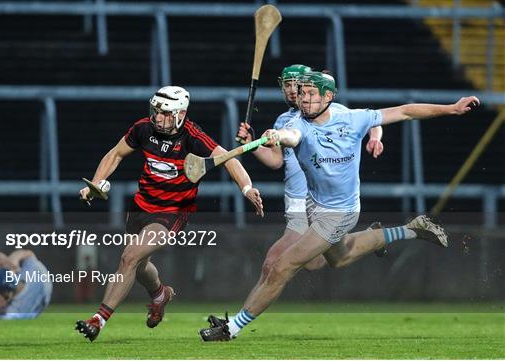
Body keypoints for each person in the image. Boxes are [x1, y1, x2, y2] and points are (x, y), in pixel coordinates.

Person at [200, 71, 479, 341]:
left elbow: (405, 111)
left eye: (311, 94)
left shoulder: (352, 118)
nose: (304, 99)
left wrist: (452, 109)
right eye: (302, 93)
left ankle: (231, 328)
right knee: (339, 258)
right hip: (313, 205)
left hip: (339, 213)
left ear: (329, 96)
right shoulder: (298, 125)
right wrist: (277, 136)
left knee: (282, 266)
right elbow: (292, 137)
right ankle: (411, 230)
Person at [75, 85, 264, 342]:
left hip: (172, 212)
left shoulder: (193, 137)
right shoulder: (143, 128)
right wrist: (96, 184)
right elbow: (116, 154)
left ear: (181, 114)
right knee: (139, 265)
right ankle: (160, 294)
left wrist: (247, 188)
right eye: (156, 112)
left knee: (129, 257)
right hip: (141, 205)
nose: (158, 118)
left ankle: (98, 320)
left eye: (165, 114)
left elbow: (229, 158)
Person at [235, 65, 385, 307]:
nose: (293, 90)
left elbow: (371, 120)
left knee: (273, 261)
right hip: (294, 201)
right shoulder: (283, 120)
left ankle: (234, 322)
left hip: (313, 202)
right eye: (287, 84)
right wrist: (252, 144)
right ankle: (375, 237)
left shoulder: (332, 111)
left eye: (298, 85)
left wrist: (375, 138)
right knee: (320, 262)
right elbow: (275, 161)